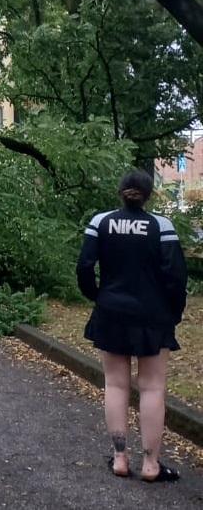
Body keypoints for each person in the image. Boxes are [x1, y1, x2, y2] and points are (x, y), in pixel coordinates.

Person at [77, 169, 187, 482]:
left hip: (111, 312)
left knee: (115, 384)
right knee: (152, 387)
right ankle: (152, 465)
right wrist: (173, 313)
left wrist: (98, 297)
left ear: (121, 192)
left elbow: (85, 266)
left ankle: (120, 459)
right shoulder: (161, 226)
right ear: (149, 193)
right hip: (153, 316)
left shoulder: (101, 222)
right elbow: (176, 277)